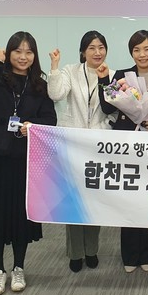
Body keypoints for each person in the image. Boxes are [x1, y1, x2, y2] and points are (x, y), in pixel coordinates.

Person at [0, 31, 57, 295]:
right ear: (8, 53)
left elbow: (50, 119)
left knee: (19, 215)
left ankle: (19, 267)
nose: (23, 57)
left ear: (34, 56)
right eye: (18, 51)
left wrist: (32, 126)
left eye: (29, 52)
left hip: (22, 157)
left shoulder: (39, 85)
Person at [98, 29, 148, 273]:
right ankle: (129, 255)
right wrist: (103, 80)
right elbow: (106, 105)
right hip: (127, 145)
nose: (142, 54)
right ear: (132, 52)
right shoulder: (121, 75)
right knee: (128, 199)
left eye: (147, 49)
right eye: (137, 50)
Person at [48, 30, 114, 273]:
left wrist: (98, 131)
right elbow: (56, 94)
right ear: (83, 51)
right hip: (72, 145)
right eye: (92, 48)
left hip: (97, 147)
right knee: (74, 202)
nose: (97, 52)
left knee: (94, 202)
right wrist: (54, 67)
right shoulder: (70, 71)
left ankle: (91, 249)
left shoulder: (112, 75)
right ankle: (75, 253)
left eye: (101, 47)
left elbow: (114, 111)